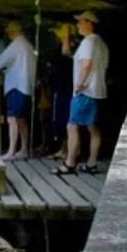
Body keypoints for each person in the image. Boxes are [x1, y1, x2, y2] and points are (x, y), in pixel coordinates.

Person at [54, 11, 109, 175]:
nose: (78, 24)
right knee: (93, 128)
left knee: (72, 126)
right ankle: (91, 163)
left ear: (89, 23)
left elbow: (86, 64)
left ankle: (69, 164)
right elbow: (73, 57)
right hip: (97, 91)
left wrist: (79, 84)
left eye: (80, 22)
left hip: (85, 91)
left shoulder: (88, 42)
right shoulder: (100, 43)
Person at [0, 21, 35, 161]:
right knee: (21, 119)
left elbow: (1, 61)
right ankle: (24, 149)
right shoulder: (28, 46)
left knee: (12, 119)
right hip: (26, 87)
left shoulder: (16, 46)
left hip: (16, 86)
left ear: (12, 32)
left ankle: (11, 151)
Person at [46, 22, 76, 159]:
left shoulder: (72, 48)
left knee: (66, 120)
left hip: (66, 89)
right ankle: (62, 149)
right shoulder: (59, 49)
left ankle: (69, 151)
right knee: (60, 121)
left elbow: (66, 56)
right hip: (60, 88)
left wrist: (67, 37)